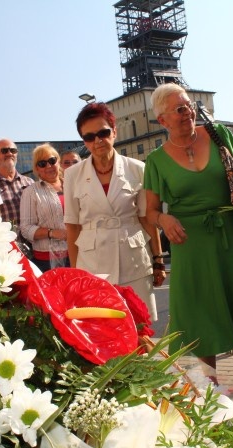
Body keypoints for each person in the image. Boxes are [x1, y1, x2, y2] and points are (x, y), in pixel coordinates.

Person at [143, 83, 233, 414]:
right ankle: (211, 392)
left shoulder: (218, 134)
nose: (187, 111)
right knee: (201, 315)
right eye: (178, 109)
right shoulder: (156, 161)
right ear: (162, 119)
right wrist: (164, 219)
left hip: (229, 235)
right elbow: (149, 211)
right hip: (189, 243)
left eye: (189, 105)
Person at [64, 102, 164, 321]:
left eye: (103, 133)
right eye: (89, 137)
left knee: (139, 327)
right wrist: (74, 272)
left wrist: (158, 259)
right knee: (101, 328)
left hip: (134, 260)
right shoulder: (73, 175)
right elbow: (72, 226)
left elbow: (147, 218)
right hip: (92, 264)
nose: (97, 141)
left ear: (114, 132)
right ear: (84, 142)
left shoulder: (137, 169)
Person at [20, 144, 69, 271]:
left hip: (79, 252)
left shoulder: (73, 185)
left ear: (58, 162)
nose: (48, 166)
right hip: (47, 259)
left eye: (52, 161)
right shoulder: (31, 192)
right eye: (42, 163)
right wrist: (52, 233)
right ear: (37, 169)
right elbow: (26, 228)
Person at [0, 138, 34, 252]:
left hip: (34, 249)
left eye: (13, 150)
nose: (9, 153)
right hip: (7, 251)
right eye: (4, 151)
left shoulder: (30, 183)